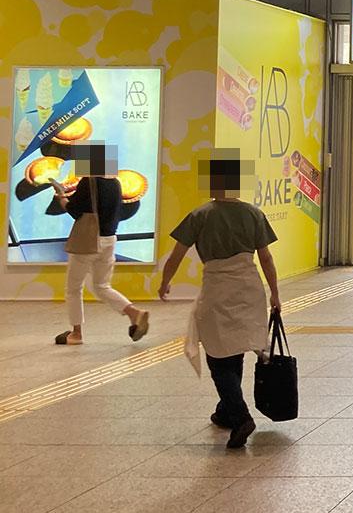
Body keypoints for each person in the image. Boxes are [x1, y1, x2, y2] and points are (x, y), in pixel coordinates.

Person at [158, 153, 282, 450]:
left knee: (217, 355)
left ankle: (240, 417)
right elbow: (266, 257)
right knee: (235, 348)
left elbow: (176, 255)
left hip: (217, 288)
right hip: (249, 287)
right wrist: (275, 293)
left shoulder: (200, 215)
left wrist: (165, 281)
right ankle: (226, 410)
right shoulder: (254, 213)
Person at [52, 144, 149, 346]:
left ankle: (76, 333)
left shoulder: (88, 182)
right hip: (109, 240)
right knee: (101, 286)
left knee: (73, 288)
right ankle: (134, 313)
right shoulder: (115, 183)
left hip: (89, 241)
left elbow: (74, 210)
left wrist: (61, 197)